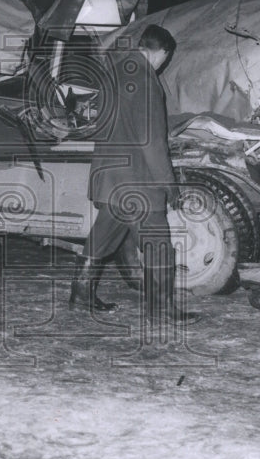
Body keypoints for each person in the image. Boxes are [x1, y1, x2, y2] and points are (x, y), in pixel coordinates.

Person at [70, 24, 200, 325]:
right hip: (138, 181)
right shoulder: (145, 79)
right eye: (165, 60)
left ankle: (80, 292)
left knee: (103, 235)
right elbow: (152, 140)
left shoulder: (113, 72)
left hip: (110, 177)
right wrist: (169, 184)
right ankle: (162, 307)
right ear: (161, 53)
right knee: (159, 244)